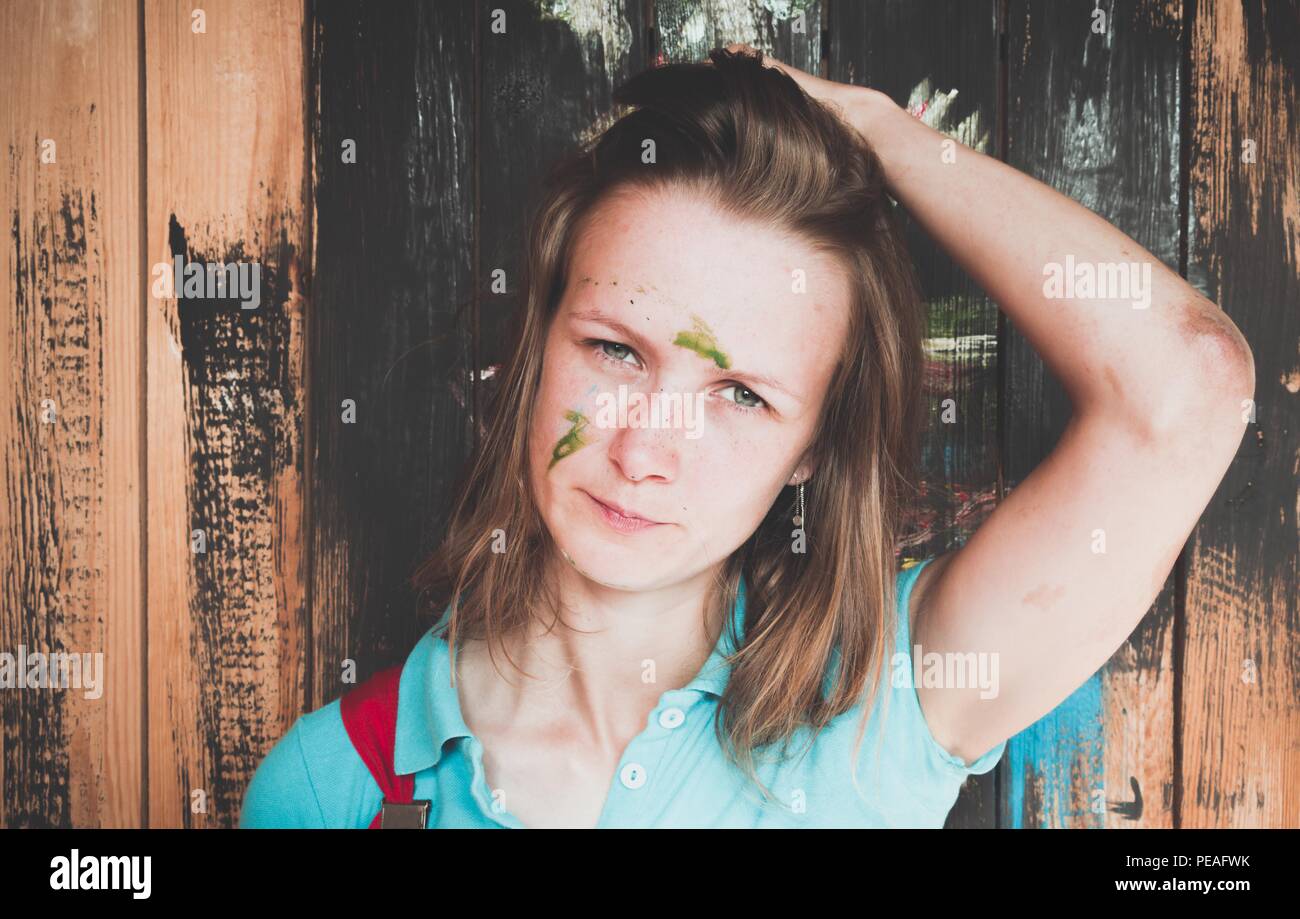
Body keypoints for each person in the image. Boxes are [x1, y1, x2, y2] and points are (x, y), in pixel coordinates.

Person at [239, 45, 1253, 829]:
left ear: (813, 444)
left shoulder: (883, 702)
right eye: (616, 351)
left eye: (742, 396)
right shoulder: (335, 788)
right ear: (534, 343)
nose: (646, 449)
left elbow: (1189, 386)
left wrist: (883, 135)